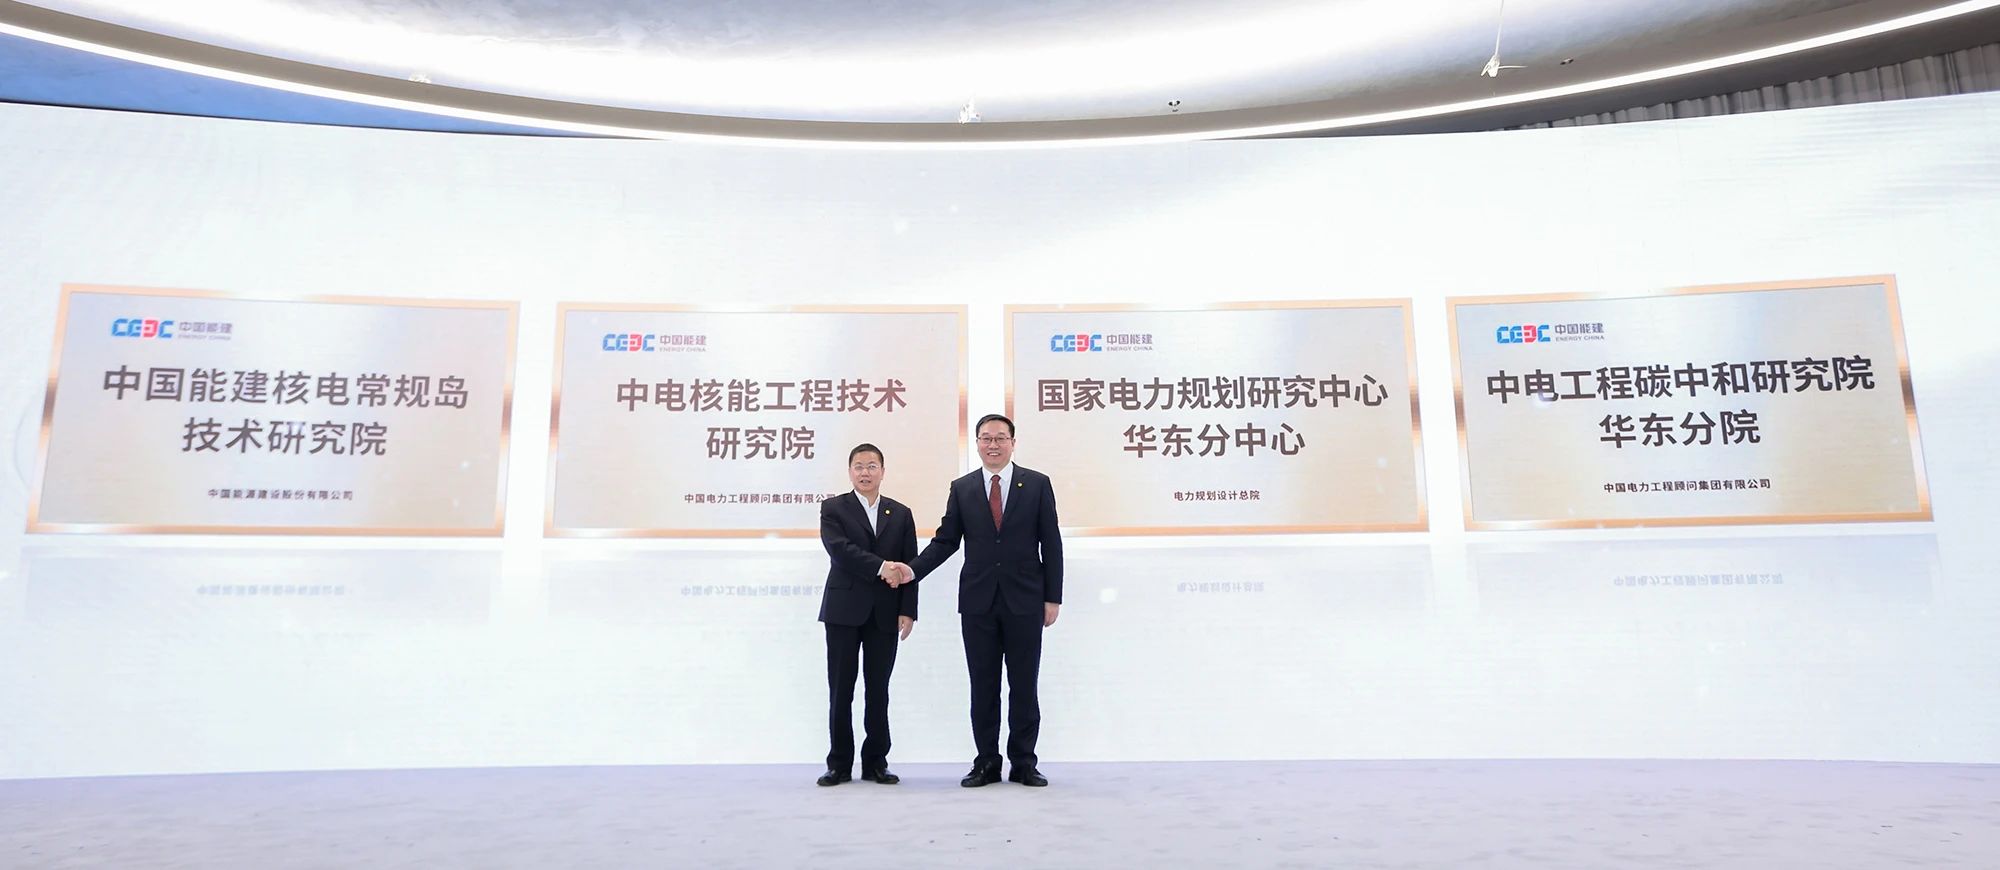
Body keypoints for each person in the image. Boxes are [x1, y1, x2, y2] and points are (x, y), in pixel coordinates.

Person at [903, 413, 1063, 788]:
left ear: (1013, 443)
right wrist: (912, 570)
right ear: (976, 443)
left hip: (1026, 600)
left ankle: (1023, 763)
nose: (993, 444)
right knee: (983, 685)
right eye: (986, 438)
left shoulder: (1037, 484)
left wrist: (1052, 597)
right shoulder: (962, 488)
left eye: (1000, 438)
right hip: (978, 603)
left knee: (1024, 685)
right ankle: (987, 762)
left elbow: (1051, 542)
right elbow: (946, 541)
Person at [814, 443, 918, 786]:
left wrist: (908, 610)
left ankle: (876, 762)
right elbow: (840, 551)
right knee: (841, 689)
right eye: (858, 466)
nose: (865, 472)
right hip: (843, 611)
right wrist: (881, 566)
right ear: (850, 472)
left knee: (878, 689)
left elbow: (910, 565)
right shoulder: (833, 508)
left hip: (885, 613)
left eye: (872, 466)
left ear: (882, 472)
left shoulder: (900, 513)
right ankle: (839, 764)